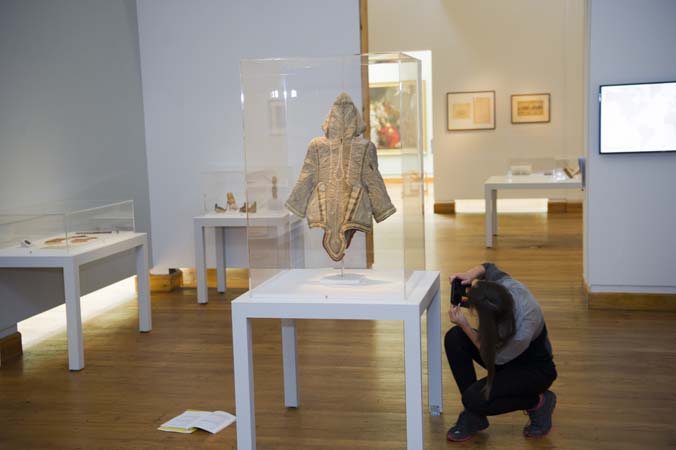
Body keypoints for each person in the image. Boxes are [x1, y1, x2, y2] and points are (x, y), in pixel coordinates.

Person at [444, 262, 557, 442]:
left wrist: (465, 325)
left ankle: (538, 402)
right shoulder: (505, 286)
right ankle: (475, 416)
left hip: (533, 369)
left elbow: (496, 359)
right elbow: (488, 267)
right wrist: (469, 274)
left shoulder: (525, 324)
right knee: (454, 338)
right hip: (504, 354)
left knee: (472, 398)